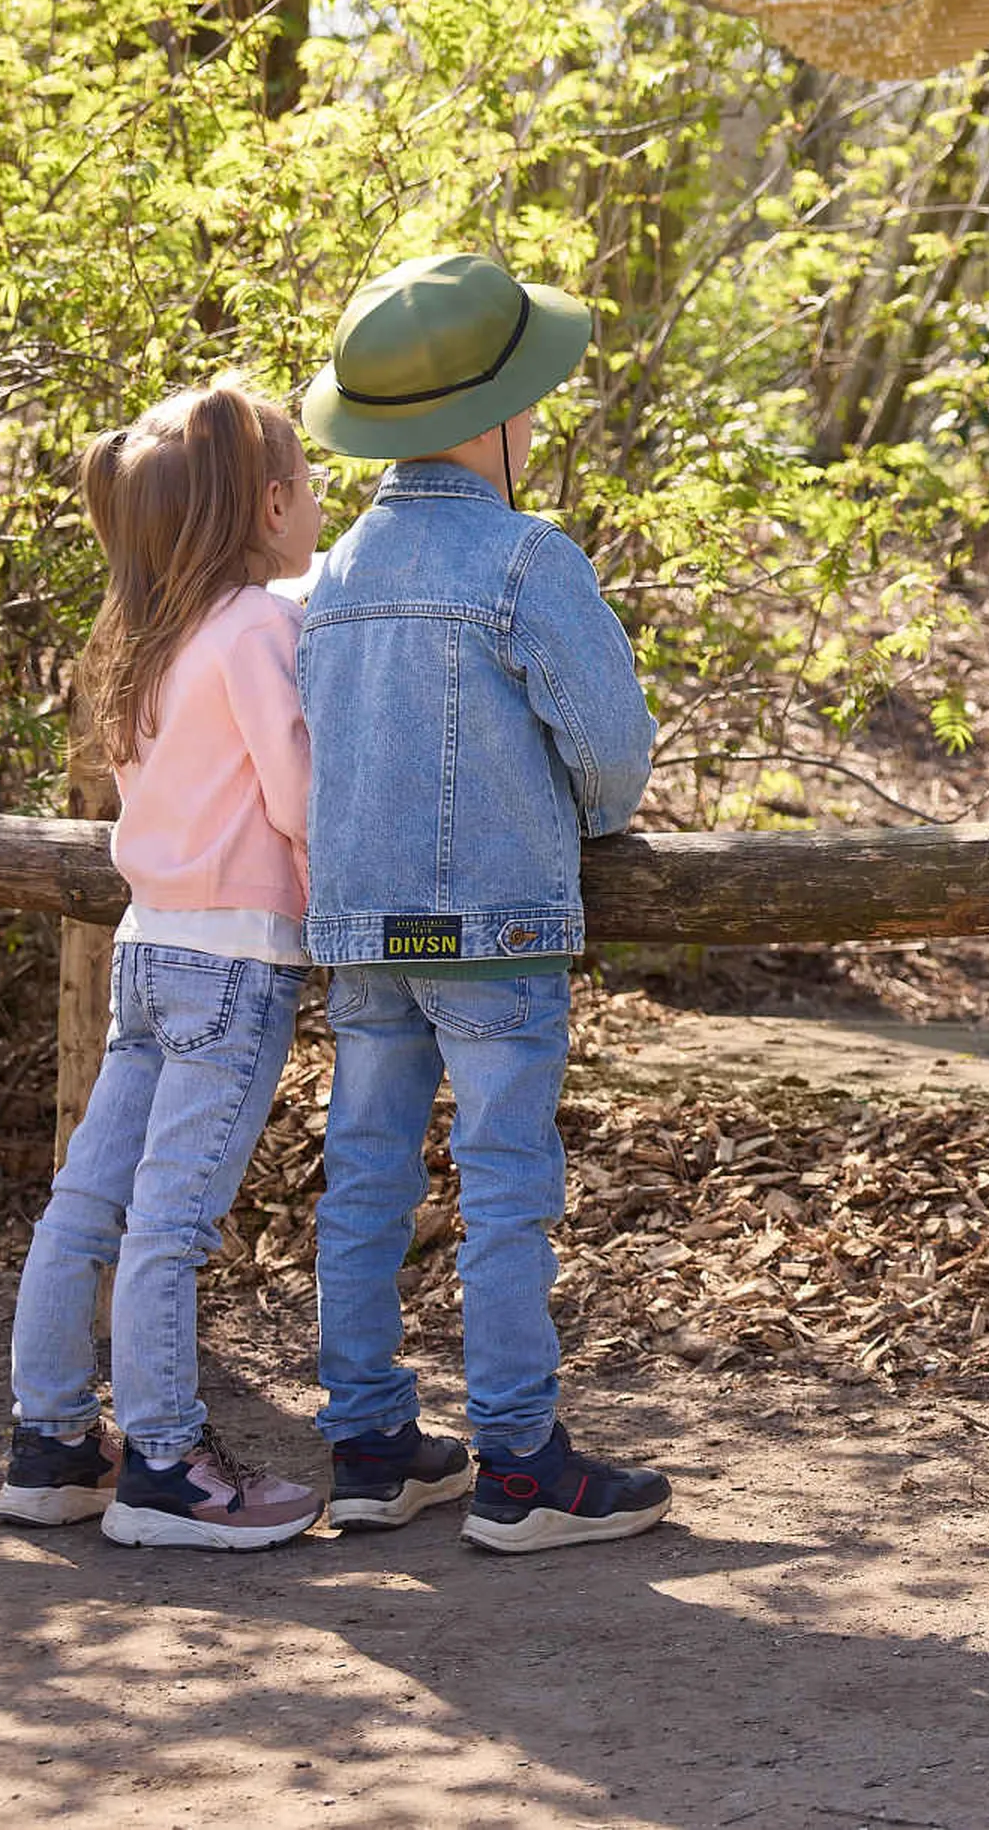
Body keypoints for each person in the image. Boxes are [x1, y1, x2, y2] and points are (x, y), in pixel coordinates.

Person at [297, 251, 670, 1553]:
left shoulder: (333, 574)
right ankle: (518, 1463)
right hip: (496, 929)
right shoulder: (524, 558)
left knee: (364, 1177)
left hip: (365, 929)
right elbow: (613, 751)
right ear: (494, 416)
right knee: (506, 1183)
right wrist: (589, 821)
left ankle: (367, 1447)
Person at [0, 378, 328, 1550]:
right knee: (172, 1224)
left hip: (148, 952)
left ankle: (51, 1444)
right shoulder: (259, 629)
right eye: (308, 482)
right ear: (270, 504)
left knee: (88, 1205)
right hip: (234, 964)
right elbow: (297, 798)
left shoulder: (145, 636)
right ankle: (166, 1468)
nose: (319, 501)